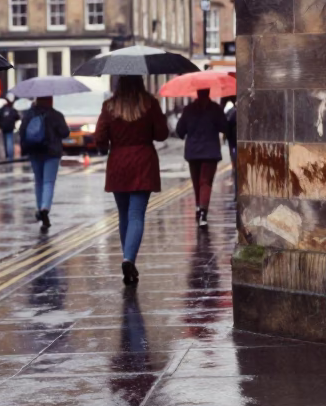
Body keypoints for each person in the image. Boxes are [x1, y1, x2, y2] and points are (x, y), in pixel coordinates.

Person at [94, 75, 169, 285]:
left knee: (124, 214)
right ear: (140, 82)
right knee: (136, 214)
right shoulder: (149, 104)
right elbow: (162, 134)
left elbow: (99, 138)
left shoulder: (109, 106)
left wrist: (106, 144)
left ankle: (128, 258)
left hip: (118, 163)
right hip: (143, 162)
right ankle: (129, 259)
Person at [175, 88, 227, 229]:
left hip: (193, 152)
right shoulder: (215, 109)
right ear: (209, 92)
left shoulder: (189, 109)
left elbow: (180, 131)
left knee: (197, 182)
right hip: (210, 152)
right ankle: (203, 212)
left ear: (197, 93)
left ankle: (199, 208)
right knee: (206, 182)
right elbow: (224, 127)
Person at [19, 96, 69, 230]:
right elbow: (65, 132)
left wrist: (25, 149)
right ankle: (44, 208)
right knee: (48, 181)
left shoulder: (29, 114)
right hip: (52, 152)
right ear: (50, 100)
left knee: (39, 181)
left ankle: (40, 207)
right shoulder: (56, 114)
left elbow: (22, 132)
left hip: (34, 152)